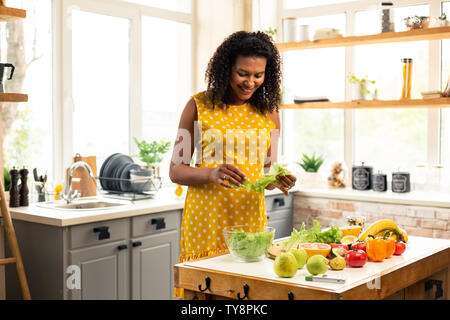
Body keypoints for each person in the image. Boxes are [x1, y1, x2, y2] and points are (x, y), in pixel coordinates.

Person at [169, 31, 297, 298]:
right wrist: (210, 173)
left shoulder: (270, 113)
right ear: (226, 68)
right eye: (243, 73)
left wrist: (278, 179)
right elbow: (176, 170)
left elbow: (267, 170)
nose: (250, 82)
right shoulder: (197, 106)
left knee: (246, 297)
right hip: (206, 222)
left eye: (258, 75)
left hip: (250, 224)